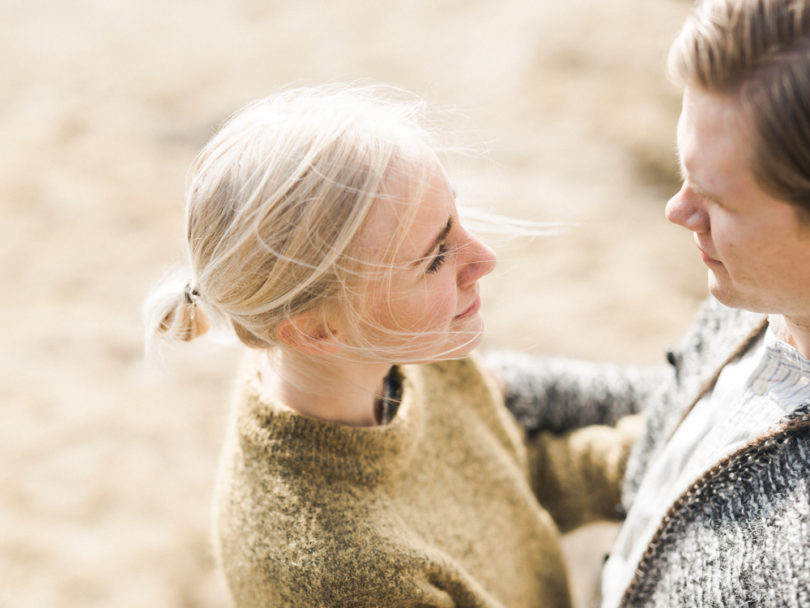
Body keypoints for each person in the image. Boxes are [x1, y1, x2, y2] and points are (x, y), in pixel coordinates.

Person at [143, 85, 640, 607]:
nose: (483, 258)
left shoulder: (387, 354)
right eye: (433, 258)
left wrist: (663, 444)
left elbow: (506, 485)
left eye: (455, 215)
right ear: (314, 329)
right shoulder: (348, 577)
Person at [491, 0, 810, 605]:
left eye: (719, 201)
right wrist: (505, 386)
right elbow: (692, 407)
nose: (678, 211)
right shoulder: (757, 294)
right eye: (683, 171)